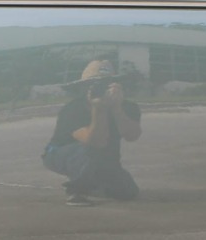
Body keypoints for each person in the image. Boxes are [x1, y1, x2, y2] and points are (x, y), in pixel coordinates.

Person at [42, 59, 141, 205]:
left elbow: (132, 136)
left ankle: (94, 184)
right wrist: (98, 108)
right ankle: (76, 190)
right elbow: (94, 141)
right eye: (92, 85)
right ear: (83, 88)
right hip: (61, 153)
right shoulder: (73, 109)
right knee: (90, 152)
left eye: (105, 84)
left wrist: (117, 108)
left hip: (102, 157)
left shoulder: (127, 107)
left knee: (127, 191)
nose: (98, 89)